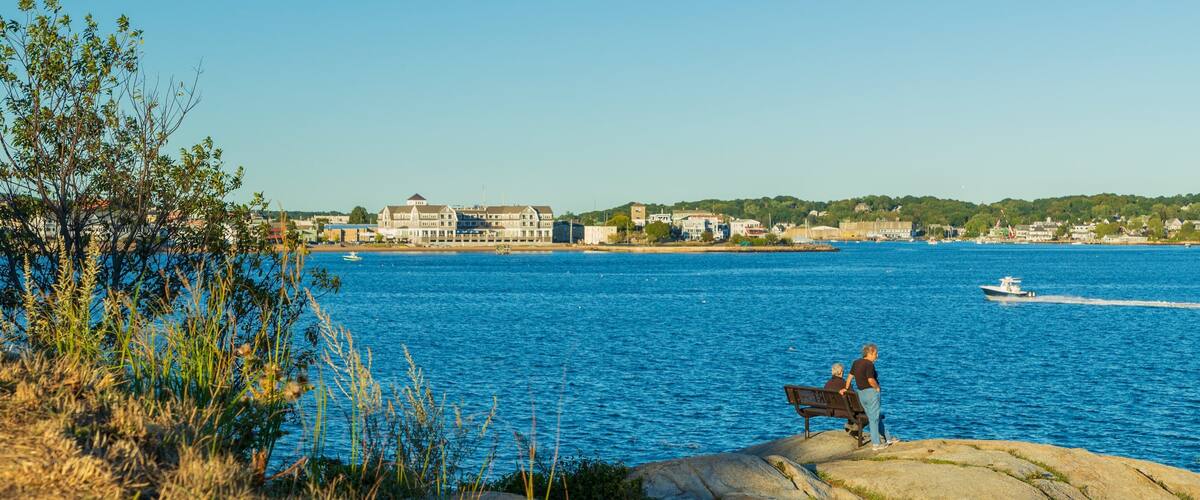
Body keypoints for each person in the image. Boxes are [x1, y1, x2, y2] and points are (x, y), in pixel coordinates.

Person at [842, 343, 899, 450]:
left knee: (874, 417)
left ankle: (888, 437)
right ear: (870, 353)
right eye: (876, 354)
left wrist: (846, 388)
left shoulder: (856, 362)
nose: (877, 356)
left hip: (861, 394)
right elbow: (870, 380)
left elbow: (849, 377)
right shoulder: (869, 364)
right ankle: (876, 444)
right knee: (873, 419)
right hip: (871, 393)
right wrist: (877, 388)